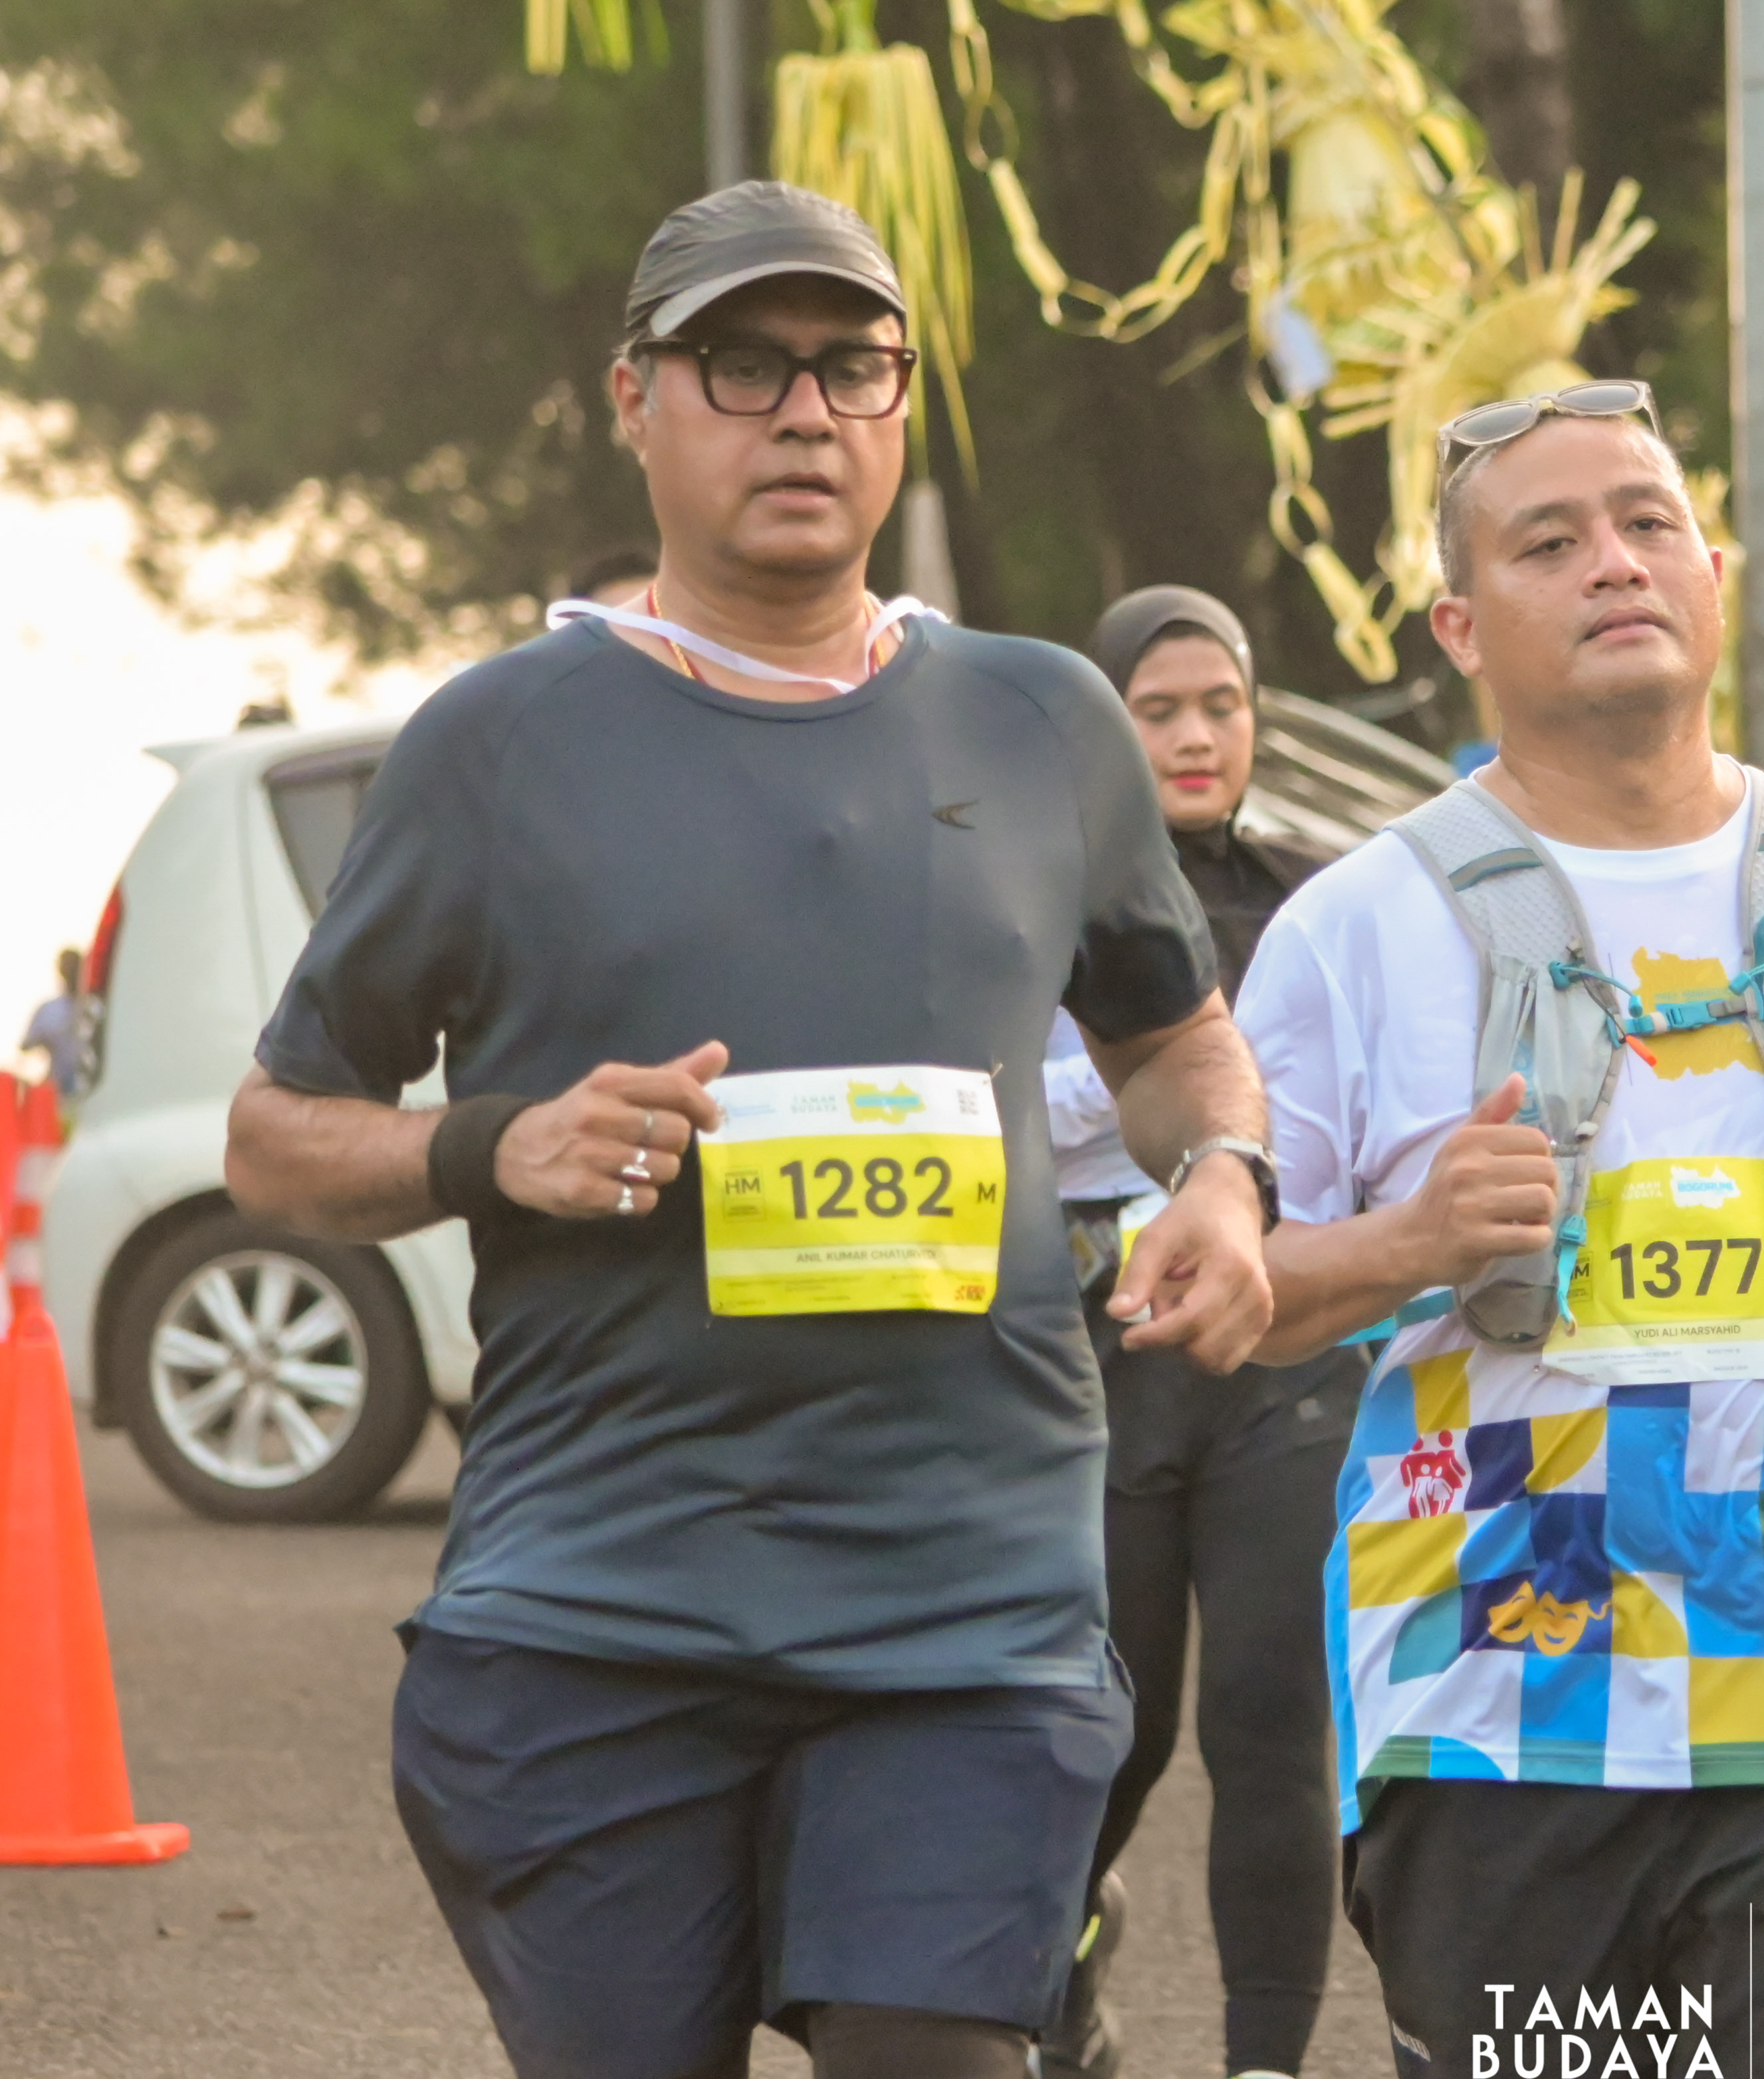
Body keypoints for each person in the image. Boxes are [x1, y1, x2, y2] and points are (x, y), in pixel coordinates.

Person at [219, 181, 1280, 2079]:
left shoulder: (1044, 721)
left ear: (900, 406)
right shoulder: (495, 743)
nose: (803, 411)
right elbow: (275, 1137)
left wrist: (1222, 1174)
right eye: (742, 364)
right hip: (601, 1603)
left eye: (851, 366)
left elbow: (1176, 1037)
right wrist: (496, 1146)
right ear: (634, 399)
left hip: (969, 1608)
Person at [1240, 382, 1764, 2079]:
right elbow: (1236, 1293)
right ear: (1461, 626)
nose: (1614, 562)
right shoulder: (1354, 925)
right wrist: (1412, 1240)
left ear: (1713, 573)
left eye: (1647, 523)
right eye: (1549, 542)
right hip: (1492, 1705)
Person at [1039, 584, 1357, 2079]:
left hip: (1284, 1361)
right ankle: (1056, 1990)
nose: (1193, 735)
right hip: (1091, 1365)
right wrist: (1196, 1102)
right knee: (1109, 1735)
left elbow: (1348, 1117)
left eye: (1219, 705)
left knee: (1272, 1725)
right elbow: (1019, 1112)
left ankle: (1263, 2061)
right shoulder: (1037, 900)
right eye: (1154, 711)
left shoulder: (1321, 898)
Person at [18, 948, 90, 1101]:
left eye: (74, 966)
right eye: (67, 967)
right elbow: (25, 1047)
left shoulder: (93, 1006)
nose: (71, 971)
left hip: (90, 1088)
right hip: (59, 1091)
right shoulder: (49, 1010)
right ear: (61, 971)